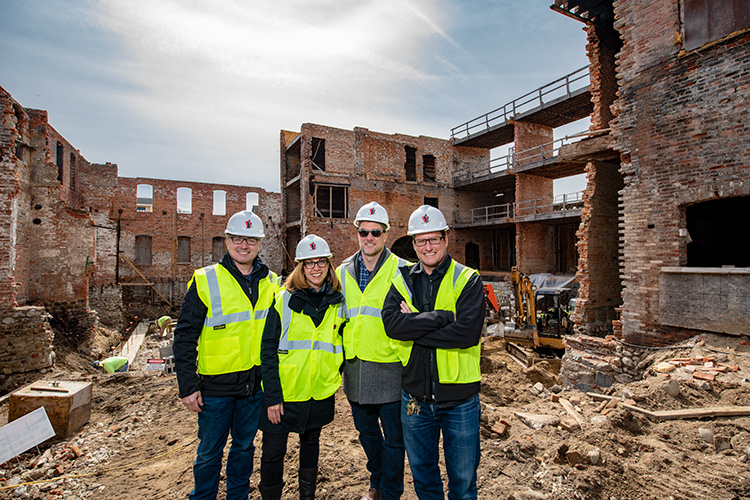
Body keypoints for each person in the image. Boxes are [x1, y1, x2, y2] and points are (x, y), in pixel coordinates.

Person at [173, 210, 280, 500]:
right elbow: (184, 336)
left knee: (244, 448)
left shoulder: (272, 283)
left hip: (253, 389)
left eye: (251, 240)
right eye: (238, 239)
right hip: (215, 389)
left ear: (259, 244)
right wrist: (188, 386)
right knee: (208, 453)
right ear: (228, 241)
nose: (244, 246)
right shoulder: (206, 280)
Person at [382, 205, 484, 500]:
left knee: (463, 483)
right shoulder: (402, 279)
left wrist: (413, 326)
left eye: (433, 239)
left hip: (460, 399)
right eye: (421, 241)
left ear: (446, 239)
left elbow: (466, 333)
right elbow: (391, 325)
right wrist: (442, 317)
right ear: (413, 244)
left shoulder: (468, 279)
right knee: (423, 477)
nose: (428, 247)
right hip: (415, 399)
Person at [258, 234, 345, 500]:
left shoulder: (338, 302)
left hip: (318, 392)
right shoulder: (282, 300)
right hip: (283, 395)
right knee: (273, 453)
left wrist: (333, 377)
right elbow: (268, 351)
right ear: (300, 267)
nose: (316, 268)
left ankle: (307, 496)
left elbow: (339, 345)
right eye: (309, 263)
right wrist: (272, 397)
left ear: (329, 265)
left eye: (321, 262)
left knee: (311, 447)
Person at [337, 202, 408, 500]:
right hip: (355, 369)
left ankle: (390, 492)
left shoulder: (403, 270)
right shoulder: (342, 272)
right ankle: (376, 482)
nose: (369, 237)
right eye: (364, 232)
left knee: (394, 440)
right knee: (367, 434)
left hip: (390, 367)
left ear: (386, 234)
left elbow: (414, 317)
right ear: (357, 233)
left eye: (375, 232)